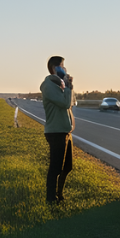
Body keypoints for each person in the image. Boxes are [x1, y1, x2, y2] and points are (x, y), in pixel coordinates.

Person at [41, 55, 76, 204]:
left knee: (67, 166)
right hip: (55, 132)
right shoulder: (48, 85)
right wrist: (67, 87)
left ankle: (59, 195)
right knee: (55, 168)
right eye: (63, 66)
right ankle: (51, 198)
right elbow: (64, 103)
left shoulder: (59, 84)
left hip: (64, 131)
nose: (65, 69)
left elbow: (72, 102)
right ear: (55, 69)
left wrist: (68, 85)